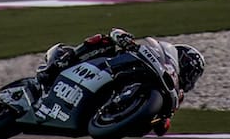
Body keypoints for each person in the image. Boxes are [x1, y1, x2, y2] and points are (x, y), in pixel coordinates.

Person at [30, 27, 205, 103]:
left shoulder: (176, 96)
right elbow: (117, 33)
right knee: (104, 41)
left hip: (116, 103)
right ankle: (60, 64)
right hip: (107, 67)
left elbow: (162, 128)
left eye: (194, 75)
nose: (190, 77)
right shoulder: (158, 58)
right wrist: (124, 39)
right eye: (191, 71)